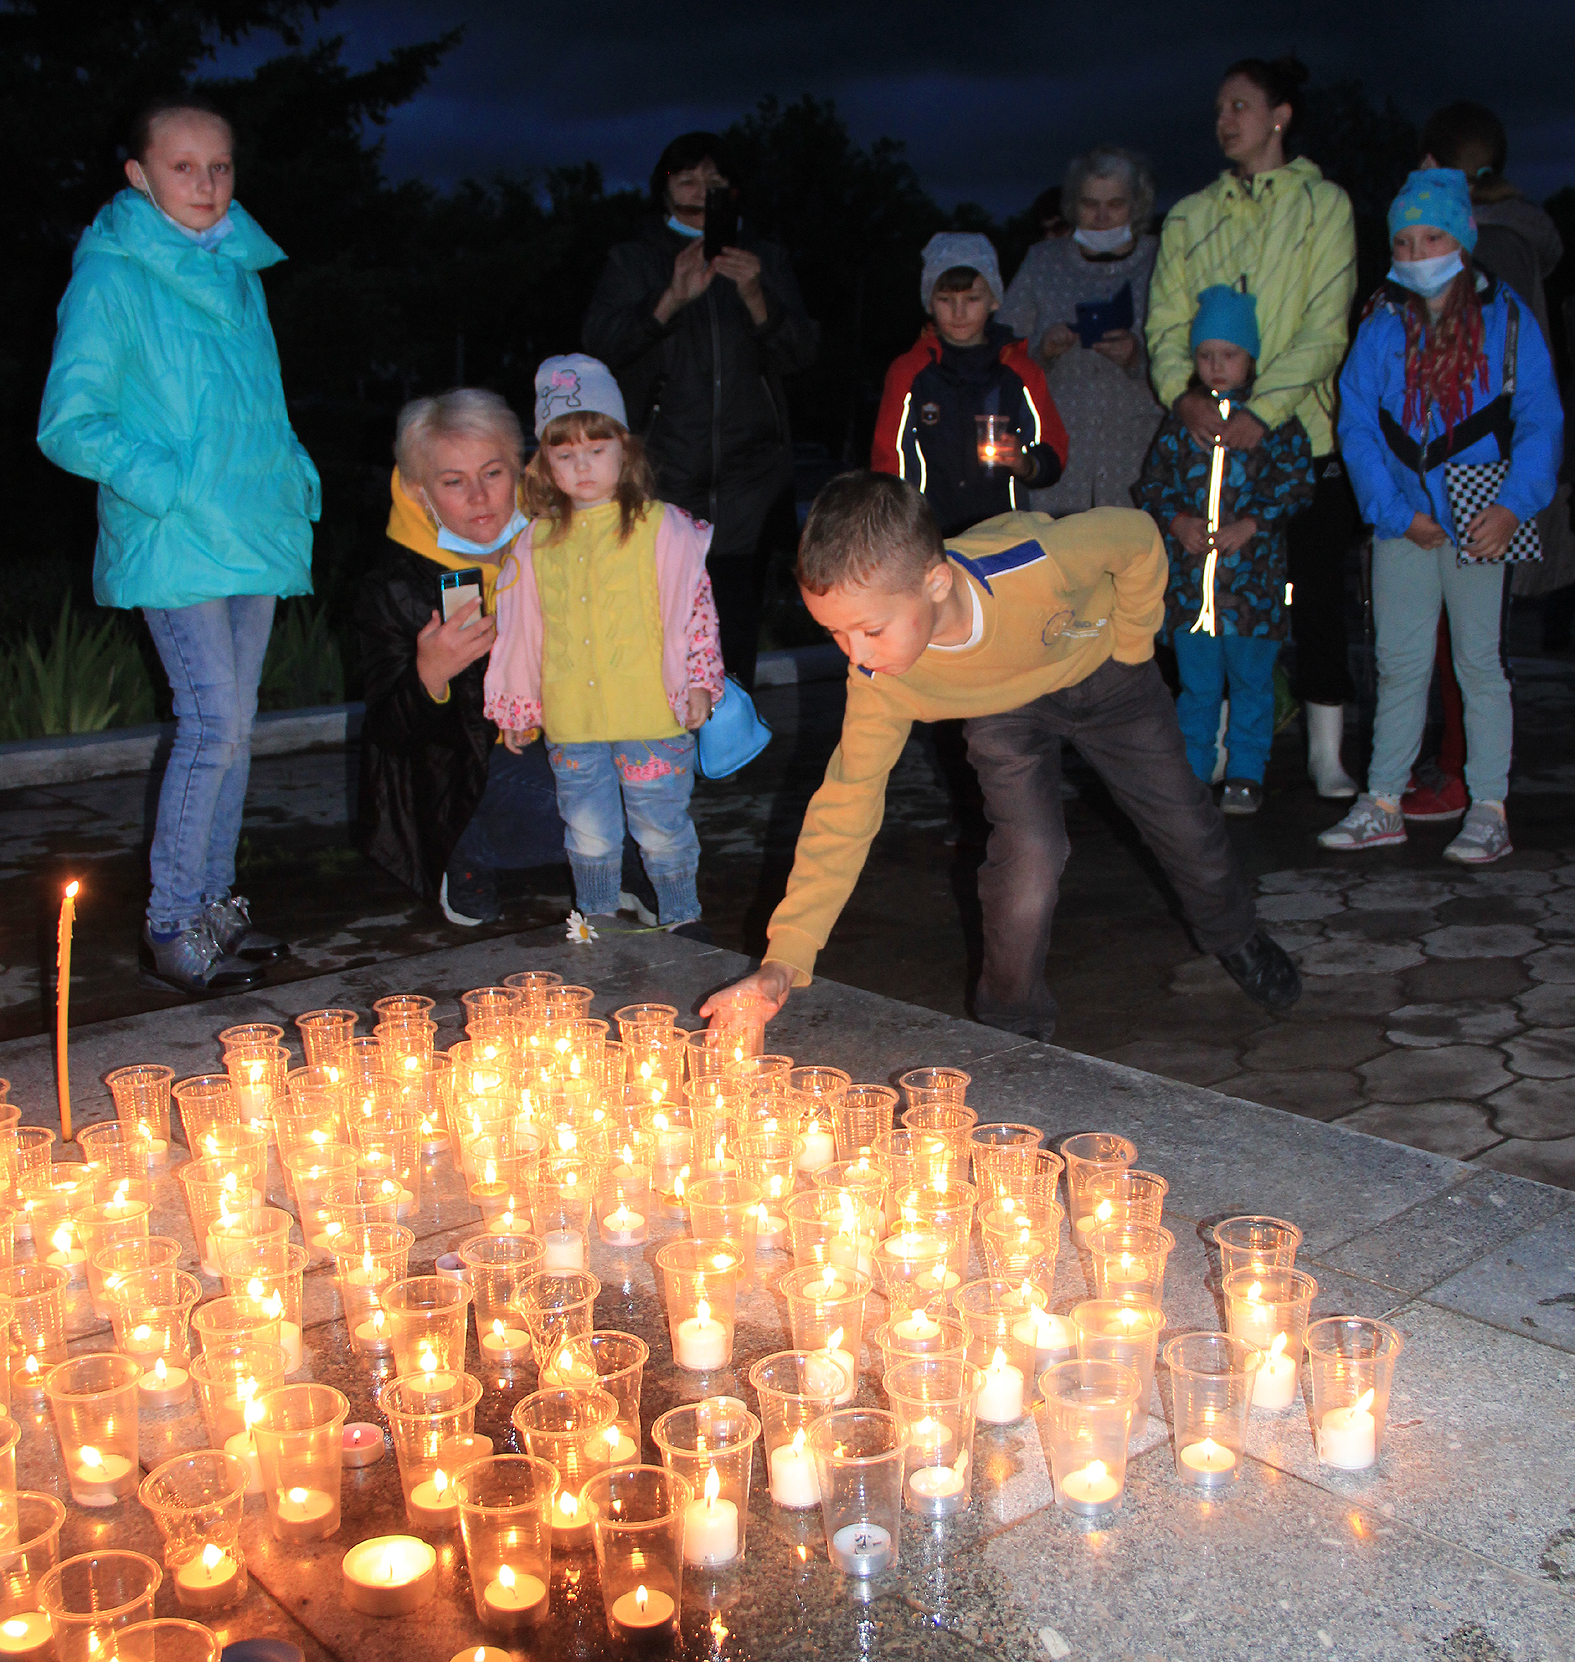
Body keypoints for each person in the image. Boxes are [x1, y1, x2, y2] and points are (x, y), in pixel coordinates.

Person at [696, 472, 1301, 1038]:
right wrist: (785, 960)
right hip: (1005, 711)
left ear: (936, 583)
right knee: (1029, 855)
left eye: (871, 630)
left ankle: (1235, 934)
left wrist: (1135, 646)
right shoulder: (883, 677)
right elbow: (846, 807)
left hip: (1107, 676)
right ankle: (1013, 1024)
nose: (856, 655)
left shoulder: (1033, 565)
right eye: (836, 633)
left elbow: (1137, 537)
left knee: (1185, 821)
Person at [37, 99, 318, 996]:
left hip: (252, 524)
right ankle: (170, 924)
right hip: (176, 537)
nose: (205, 184)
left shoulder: (239, 271)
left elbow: (259, 403)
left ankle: (213, 905)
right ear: (140, 175)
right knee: (212, 728)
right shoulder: (110, 279)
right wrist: (171, 483)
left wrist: (292, 470)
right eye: (184, 167)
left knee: (234, 733)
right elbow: (69, 424)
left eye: (221, 167)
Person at [1320, 169, 1562, 863]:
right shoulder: (1378, 322)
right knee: (1397, 665)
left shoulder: (1506, 319)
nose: (1418, 251)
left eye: (1431, 236)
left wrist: (1514, 506)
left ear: (1461, 237)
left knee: (1478, 664)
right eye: (1402, 239)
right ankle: (1383, 799)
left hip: (1481, 519)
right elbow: (1357, 425)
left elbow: (1539, 419)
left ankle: (1487, 805)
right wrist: (1392, 513)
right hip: (1404, 525)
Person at [1146, 56, 1360, 799]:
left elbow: (1326, 323)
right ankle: (1217, 748)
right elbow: (1167, 322)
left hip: (1301, 432)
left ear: (1279, 115)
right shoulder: (1189, 216)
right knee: (1212, 591)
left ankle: (1324, 749)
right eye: (1217, 109)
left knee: (1317, 594)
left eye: (1239, 105)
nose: (1223, 121)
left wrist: (1263, 411)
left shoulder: (1321, 205)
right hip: (1205, 438)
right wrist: (1185, 398)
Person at [484, 356, 724, 936]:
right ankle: (594, 917)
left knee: (661, 822)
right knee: (586, 827)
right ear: (545, 462)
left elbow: (696, 609)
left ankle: (682, 916)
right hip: (575, 718)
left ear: (625, 449)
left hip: (651, 713)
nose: (582, 466)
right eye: (565, 455)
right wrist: (519, 704)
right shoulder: (535, 543)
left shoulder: (662, 528)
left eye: (597, 449)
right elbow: (520, 631)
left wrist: (699, 680)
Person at [583, 132, 818, 689]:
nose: (700, 193)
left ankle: (727, 749)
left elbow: (803, 354)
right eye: (686, 180)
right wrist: (670, 299)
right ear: (662, 190)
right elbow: (597, 350)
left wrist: (758, 297)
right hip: (662, 477)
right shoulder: (631, 261)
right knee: (660, 620)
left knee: (734, 624)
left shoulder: (766, 259)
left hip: (748, 484)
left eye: (714, 183)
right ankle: (661, 747)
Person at [1401, 102, 1571, 822]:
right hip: (1474, 463)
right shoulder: (1514, 238)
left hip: (1478, 468)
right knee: (1457, 638)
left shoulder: (1490, 247)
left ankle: (1464, 778)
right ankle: (1458, 771)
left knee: (1467, 644)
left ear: (1437, 167)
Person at [354, 389, 572, 927]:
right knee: (587, 811)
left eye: (493, 473)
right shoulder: (395, 583)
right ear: (418, 490)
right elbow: (387, 737)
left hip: (561, 735)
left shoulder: (555, 538)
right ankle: (464, 851)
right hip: (460, 768)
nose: (479, 497)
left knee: (650, 776)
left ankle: (629, 870)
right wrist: (431, 673)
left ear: (520, 468)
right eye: (453, 482)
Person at [1132, 287, 1315, 814]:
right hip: (1192, 592)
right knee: (1196, 689)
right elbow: (1153, 483)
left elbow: (1299, 484)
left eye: (1229, 355)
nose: (1216, 366)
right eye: (1205, 355)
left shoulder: (1274, 421)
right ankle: (1191, 774)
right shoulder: (1181, 423)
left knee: (1253, 685)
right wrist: (1178, 521)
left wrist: (1253, 524)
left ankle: (1246, 774)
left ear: (1251, 357)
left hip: (1253, 593)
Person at [1001, 147, 1164, 515]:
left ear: (1137, 205)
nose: (1102, 216)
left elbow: (1192, 358)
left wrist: (1138, 358)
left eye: (1116, 204)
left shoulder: (1165, 259)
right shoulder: (1042, 262)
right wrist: (1042, 350)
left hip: (1138, 459)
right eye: (1091, 204)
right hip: (1059, 464)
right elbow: (1002, 352)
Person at [871, 232, 1067, 538]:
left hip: (1006, 536)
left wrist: (1025, 463)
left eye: (972, 299)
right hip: (931, 537)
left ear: (994, 300)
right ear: (929, 302)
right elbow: (889, 461)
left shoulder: (1020, 371)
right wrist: (899, 531)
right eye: (946, 300)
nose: (959, 313)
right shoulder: (908, 372)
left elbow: (1053, 451)